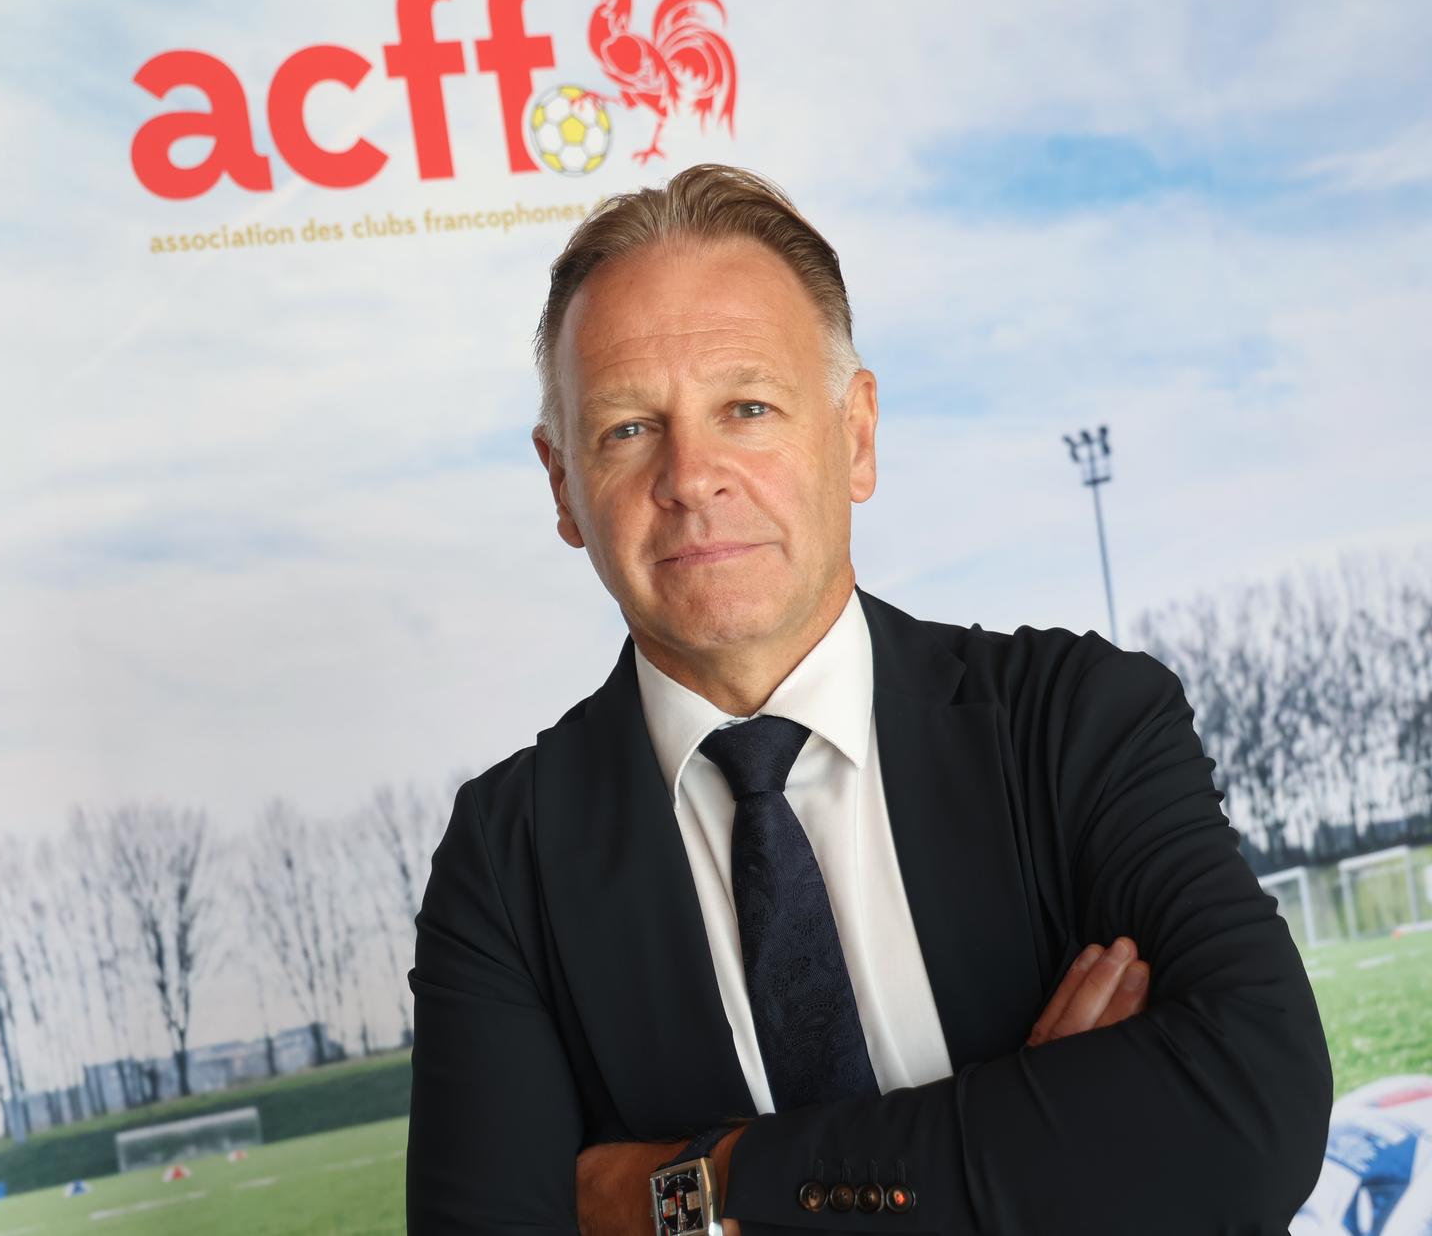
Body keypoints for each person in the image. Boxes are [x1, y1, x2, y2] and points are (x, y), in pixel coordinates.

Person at [404, 163, 1332, 1234]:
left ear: (855, 434)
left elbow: (1249, 1115)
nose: (692, 474)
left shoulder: (1076, 719)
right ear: (563, 483)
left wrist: (700, 1185)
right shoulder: (505, 858)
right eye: (626, 428)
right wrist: (1045, 1156)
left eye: (747, 406)